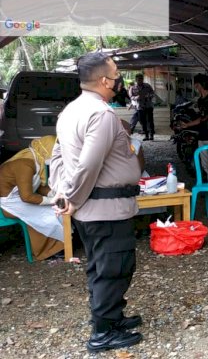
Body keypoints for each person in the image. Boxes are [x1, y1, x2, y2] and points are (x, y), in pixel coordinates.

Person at [49, 52, 144, 352]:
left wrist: (61, 191)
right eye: (116, 74)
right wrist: (72, 197)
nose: (119, 79)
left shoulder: (70, 111)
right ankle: (102, 333)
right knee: (114, 267)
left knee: (102, 265)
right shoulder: (101, 114)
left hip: (94, 210)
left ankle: (111, 317)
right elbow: (89, 164)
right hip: (105, 209)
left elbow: (57, 156)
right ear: (105, 80)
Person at [0, 135, 63, 261]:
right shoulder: (25, 165)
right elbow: (27, 196)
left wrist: (54, 193)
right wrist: (52, 200)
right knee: (50, 214)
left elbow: (38, 187)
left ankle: (59, 243)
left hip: (18, 199)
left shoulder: (35, 160)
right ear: (46, 150)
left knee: (55, 210)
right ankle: (47, 251)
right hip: (9, 205)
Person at [176, 74, 208, 174]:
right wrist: (187, 125)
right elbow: (201, 118)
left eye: (195, 84)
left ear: (199, 85)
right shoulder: (200, 100)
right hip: (202, 137)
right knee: (206, 166)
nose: (194, 86)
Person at [128, 73, 155, 140]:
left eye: (141, 79)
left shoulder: (147, 86)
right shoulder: (133, 87)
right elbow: (131, 97)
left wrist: (148, 96)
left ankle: (151, 135)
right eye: (138, 79)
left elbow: (152, 93)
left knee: (150, 121)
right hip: (140, 107)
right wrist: (137, 97)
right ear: (136, 80)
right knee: (143, 121)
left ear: (143, 79)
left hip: (148, 106)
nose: (140, 80)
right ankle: (146, 135)